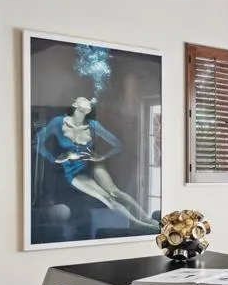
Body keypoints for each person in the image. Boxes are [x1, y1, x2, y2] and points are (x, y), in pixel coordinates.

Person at [36, 97, 157, 230]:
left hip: (92, 164)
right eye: (83, 99)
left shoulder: (93, 125)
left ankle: (147, 218)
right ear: (74, 104)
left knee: (114, 192)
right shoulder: (58, 122)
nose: (88, 101)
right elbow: (37, 142)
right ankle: (139, 224)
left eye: (89, 101)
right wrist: (56, 158)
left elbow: (117, 145)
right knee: (106, 197)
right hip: (73, 169)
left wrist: (100, 157)